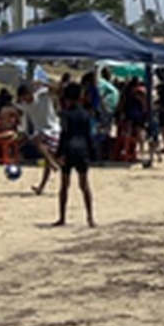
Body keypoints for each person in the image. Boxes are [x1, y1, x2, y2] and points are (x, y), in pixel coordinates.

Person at [54, 83, 96, 227]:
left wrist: (58, 153)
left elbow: (63, 134)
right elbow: (89, 135)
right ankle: (90, 217)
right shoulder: (85, 114)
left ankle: (62, 217)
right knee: (84, 185)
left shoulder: (65, 114)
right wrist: (92, 152)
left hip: (68, 149)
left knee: (64, 186)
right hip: (82, 149)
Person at [18, 82, 61, 195]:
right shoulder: (25, 105)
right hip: (41, 131)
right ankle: (41, 187)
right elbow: (25, 119)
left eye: (24, 96)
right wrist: (24, 132)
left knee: (38, 142)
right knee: (46, 157)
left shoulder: (42, 95)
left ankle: (52, 163)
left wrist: (43, 83)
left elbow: (57, 88)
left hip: (53, 129)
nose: (24, 99)